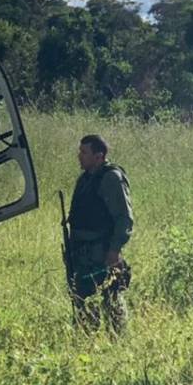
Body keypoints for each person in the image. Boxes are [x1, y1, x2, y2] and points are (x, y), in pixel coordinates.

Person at [66, 134, 134, 332]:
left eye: (84, 152)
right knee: (83, 299)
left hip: (101, 252)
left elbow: (124, 217)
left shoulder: (111, 178)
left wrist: (114, 251)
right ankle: (87, 339)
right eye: (80, 152)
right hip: (81, 253)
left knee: (110, 298)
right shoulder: (85, 178)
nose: (80, 156)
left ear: (99, 156)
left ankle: (118, 340)